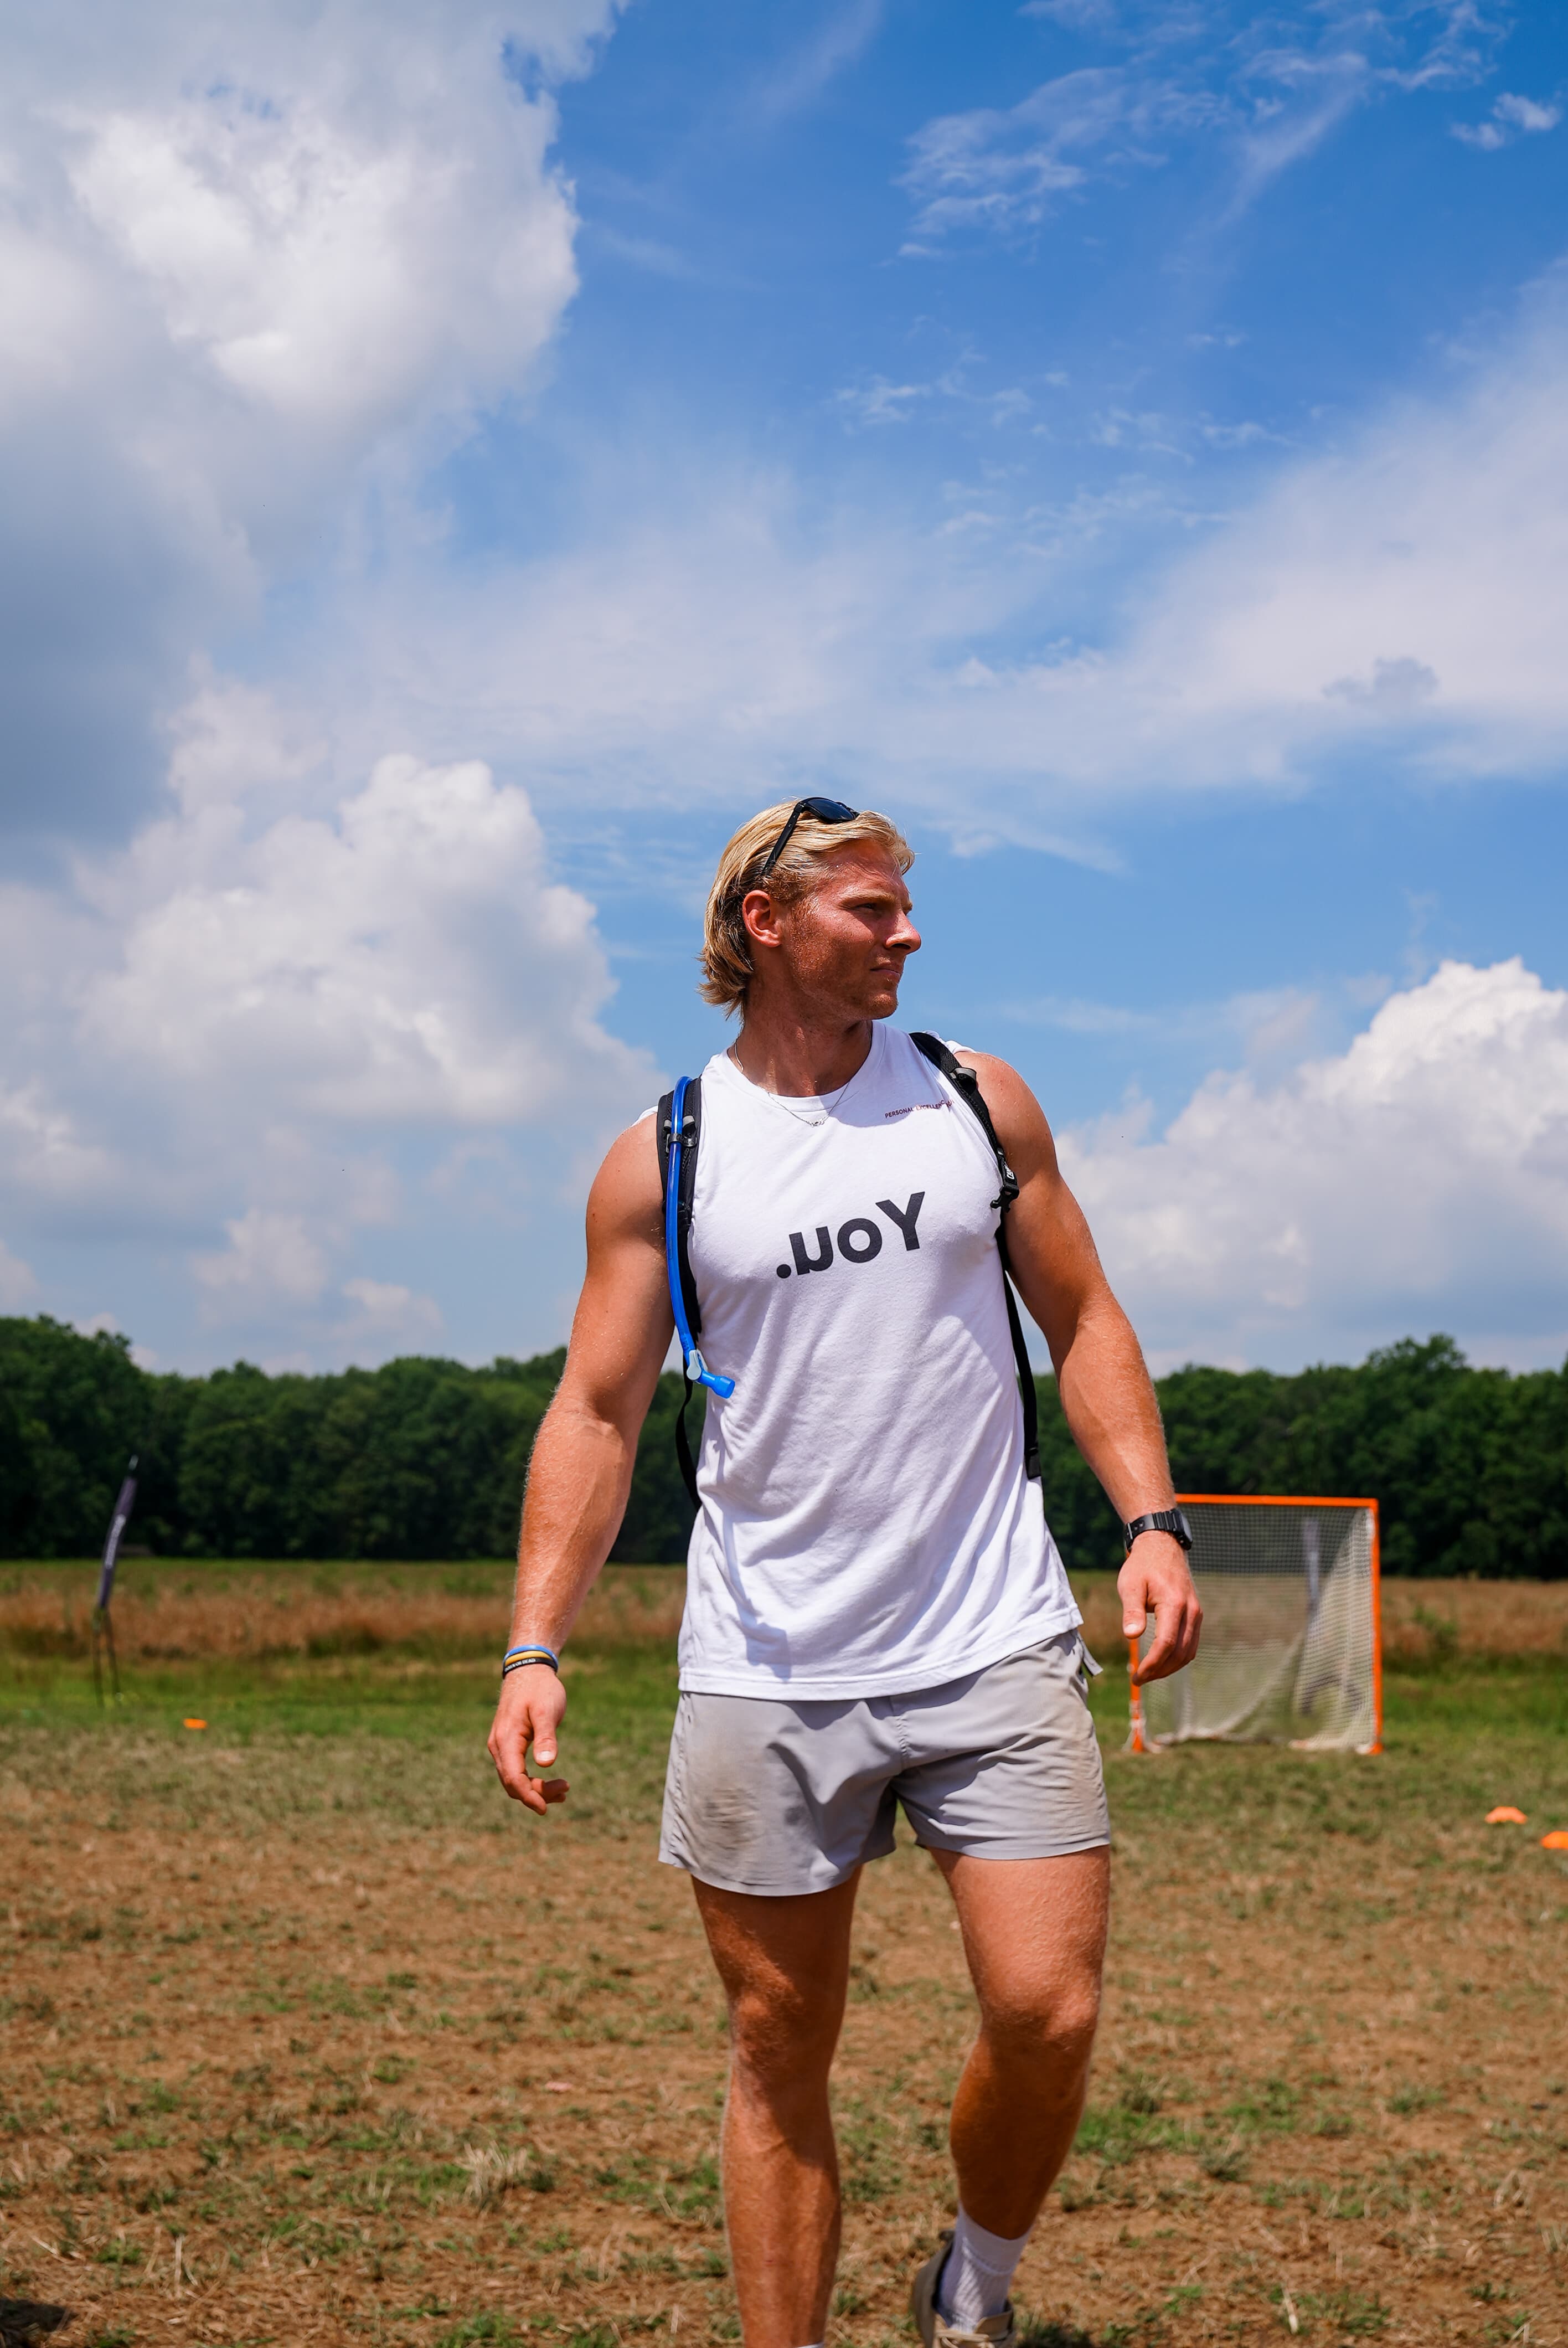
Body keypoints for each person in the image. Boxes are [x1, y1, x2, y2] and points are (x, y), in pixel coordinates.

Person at [488, 800, 1201, 2348]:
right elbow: (598, 1410)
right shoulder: (664, 1156)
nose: (909, 933)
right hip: (768, 1659)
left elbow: (1082, 1319)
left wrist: (1150, 1521)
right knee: (777, 2042)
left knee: (1047, 2009)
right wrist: (534, 1645)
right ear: (768, 921)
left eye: (905, 908)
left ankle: (977, 2283)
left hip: (991, 1633)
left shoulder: (972, 1098)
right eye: (872, 908)